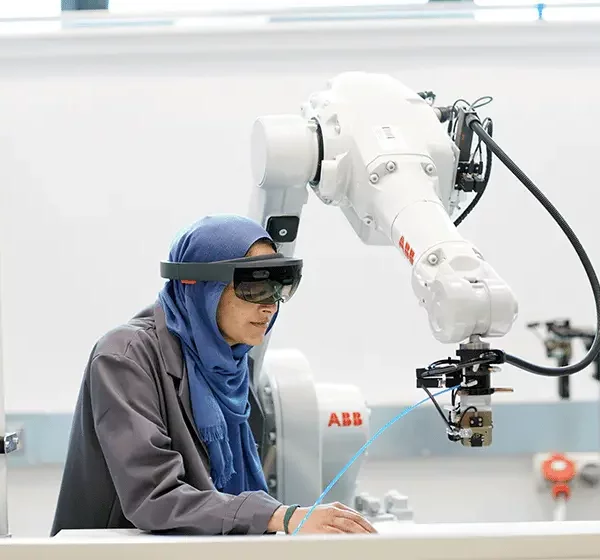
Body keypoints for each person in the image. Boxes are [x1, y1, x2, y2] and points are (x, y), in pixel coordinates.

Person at [50, 214, 376, 537]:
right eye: (255, 287)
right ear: (203, 288)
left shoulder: (232, 363)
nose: (271, 307)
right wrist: (281, 516)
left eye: (279, 288)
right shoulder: (125, 356)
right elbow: (156, 498)